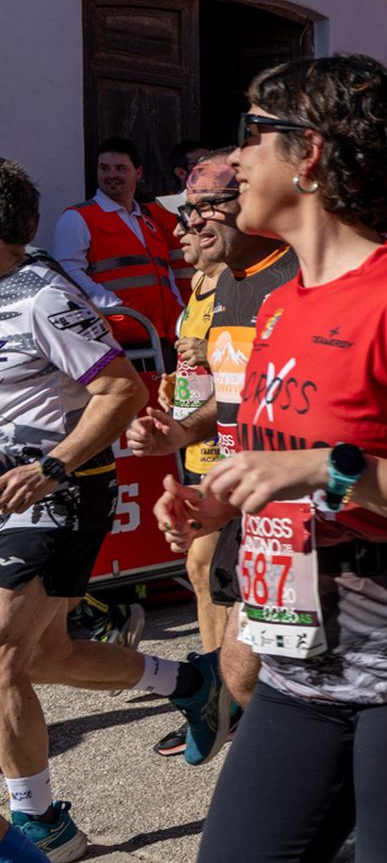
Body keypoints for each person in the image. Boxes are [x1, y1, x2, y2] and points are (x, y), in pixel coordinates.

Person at [149, 55, 387, 862]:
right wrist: (226, 500)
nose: (233, 162)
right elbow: (288, 468)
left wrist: (330, 467)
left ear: (309, 153)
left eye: (252, 134)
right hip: (299, 670)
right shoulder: (283, 302)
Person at [0, 159, 226, 861]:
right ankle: (190, 681)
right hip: (12, 495)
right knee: (46, 654)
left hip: (58, 493)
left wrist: (52, 465)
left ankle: (41, 823)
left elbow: (122, 390)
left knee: (2, 655)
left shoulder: (43, 296)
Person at [126, 155, 300, 726]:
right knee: (244, 663)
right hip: (240, 494)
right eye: (188, 211)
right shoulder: (228, 282)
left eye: (206, 208)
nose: (190, 224)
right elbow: (233, 396)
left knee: (271, 668)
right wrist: (182, 429)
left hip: (294, 504)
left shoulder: (294, 278)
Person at [148, 159, 232, 758]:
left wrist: (210, 349)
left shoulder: (234, 282)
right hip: (200, 439)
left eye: (194, 216)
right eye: (183, 217)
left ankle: (222, 693)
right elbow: (196, 374)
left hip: (238, 446)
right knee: (205, 571)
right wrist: (174, 385)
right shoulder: (195, 287)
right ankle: (220, 690)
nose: (181, 230)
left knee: (208, 567)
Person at [50, 138, 184, 351]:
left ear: (138, 173)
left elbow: (165, 274)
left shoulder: (148, 222)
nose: (111, 175)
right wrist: (112, 305)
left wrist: (181, 313)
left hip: (162, 338)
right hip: (118, 337)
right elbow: (67, 272)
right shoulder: (78, 218)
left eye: (120, 168)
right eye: (104, 168)